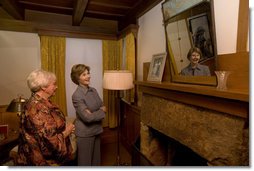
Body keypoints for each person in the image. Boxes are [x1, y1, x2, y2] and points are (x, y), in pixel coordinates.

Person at [16, 69, 75, 166]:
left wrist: (63, 128)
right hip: (43, 162)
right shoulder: (38, 108)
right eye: (54, 84)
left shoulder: (41, 102)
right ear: (43, 87)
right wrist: (67, 131)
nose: (56, 87)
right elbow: (51, 142)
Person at [70, 64, 106, 166]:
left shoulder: (93, 90)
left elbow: (101, 105)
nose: (88, 76)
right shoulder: (77, 95)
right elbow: (87, 117)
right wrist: (101, 111)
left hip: (97, 130)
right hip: (85, 134)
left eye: (88, 73)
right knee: (85, 164)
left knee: (96, 162)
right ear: (77, 78)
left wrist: (92, 112)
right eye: (83, 74)